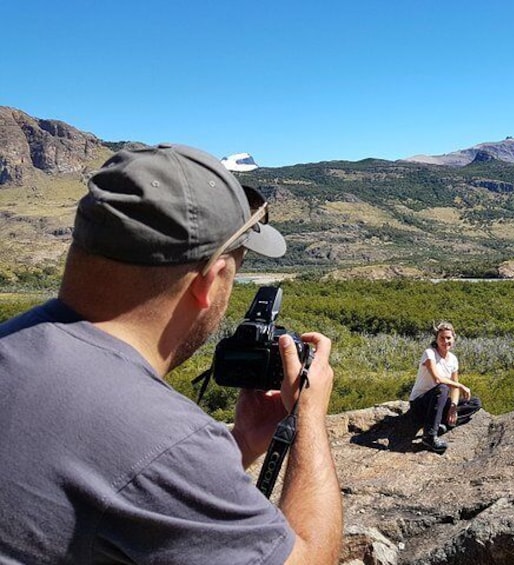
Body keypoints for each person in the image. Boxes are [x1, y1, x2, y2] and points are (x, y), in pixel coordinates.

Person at [0, 144, 342, 564]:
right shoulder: (165, 440)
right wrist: (308, 416)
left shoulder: (12, 343)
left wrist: (242, 442)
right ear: (212, 280)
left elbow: (120, 487)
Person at [409, 321, 482, 453]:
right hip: (421, 404)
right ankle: (429, 437)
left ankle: (442, 426)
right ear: (436, 339)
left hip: (438, 404)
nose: (445, 341)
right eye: (441, 338)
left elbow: (454, 388)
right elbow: (437, 379)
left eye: (448, 338)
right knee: (442, 388)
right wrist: (460, 386)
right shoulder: (429, 353)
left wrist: (453, 407)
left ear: (454, 339)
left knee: (475, 402)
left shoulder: (453, 359)